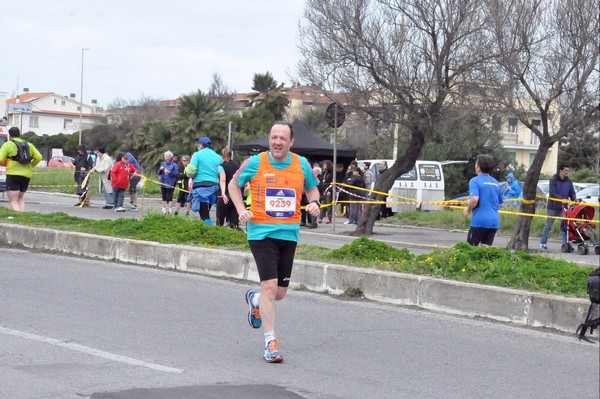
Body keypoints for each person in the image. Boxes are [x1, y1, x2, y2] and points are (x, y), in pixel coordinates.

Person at [228, 121, 320, 363]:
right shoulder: (256, 162)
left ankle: (255, 300)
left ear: (291, 142)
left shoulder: (301, 164)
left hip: (289, 234)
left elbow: (313, 190)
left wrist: (315, 204)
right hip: (261, 233)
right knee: (269, 286)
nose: (277, 141)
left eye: (283, 138)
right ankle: (270, 343)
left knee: (279, 293)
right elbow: (233, 185)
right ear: (269, 139)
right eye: (273, 137)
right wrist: (241, 210)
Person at [463, 154, 503, 246]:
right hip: (494, 222)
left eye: (476, 164)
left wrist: (467, 210)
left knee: (470, 250)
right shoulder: (496, 182)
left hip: (479, 221)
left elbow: (474, 199)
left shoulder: (474, 181)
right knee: (485, 253)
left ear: (478, 167)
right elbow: (500, 204)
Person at [0, 127, 42, 211]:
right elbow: (39, 157)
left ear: (10, 135)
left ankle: (18, 217)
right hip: (26, 175)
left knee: (13, 201)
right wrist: (31, 166)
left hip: (13, 175)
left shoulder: (8, 144)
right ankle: (22, 216)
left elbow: (0, 159)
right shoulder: (29, 145)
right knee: (20, 198)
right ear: (19, 134)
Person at [540, 164, 577, 251]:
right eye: (565, 170)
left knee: (565, 226)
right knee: (548, 226)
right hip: (552, 207)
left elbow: (572, 192)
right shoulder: (553, 180)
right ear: (561, 171)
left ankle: (565, 244)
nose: (567, 172)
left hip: (563, 207)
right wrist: (561, 199)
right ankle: (543, 242)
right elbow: (552, 193)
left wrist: (575, 200)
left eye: (568, 170)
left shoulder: (569, 181)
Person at [189, 136, 223, 224]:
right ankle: (205, 227)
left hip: (200, 185)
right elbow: (221, 172)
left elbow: (191, 171)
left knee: (204, 213)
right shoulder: (218, 157)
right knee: (206, 210)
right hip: (214, 186)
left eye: (197, 145)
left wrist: (189, 174)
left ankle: (207, 229)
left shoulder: (197, 154)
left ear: (201, 145)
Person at [216, 148, 241, 229]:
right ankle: (234, 238)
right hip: (235, 196)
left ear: (222, 156)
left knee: (220, 221)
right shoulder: (238, 165)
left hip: (225, 196)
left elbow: (223, 180)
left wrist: (223, 193)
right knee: (234, 223)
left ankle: (219, 237)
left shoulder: (221, 166)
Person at [157, 150, 179, 215]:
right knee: (164, 197)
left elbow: (176, 174)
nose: (167, 158)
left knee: (170, 197)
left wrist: (169, 172)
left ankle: (169, 211)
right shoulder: (163, 163)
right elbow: (159, 173)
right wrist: (161, 170)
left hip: (171, 183)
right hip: (163, 182)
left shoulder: (174, 165)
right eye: (166, 156)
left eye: (169, 156)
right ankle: (163, 211)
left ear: (171, 157)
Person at [318, 160, 333, 224]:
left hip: (328, 189)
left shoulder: (332, 173)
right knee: (323, 204)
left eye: (325, 165)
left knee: (329, 205)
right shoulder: (324, 173)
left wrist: (330, 190)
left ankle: (329, 218)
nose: (324, 166)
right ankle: (321, 217)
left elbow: (333, 182)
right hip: (323, 189)